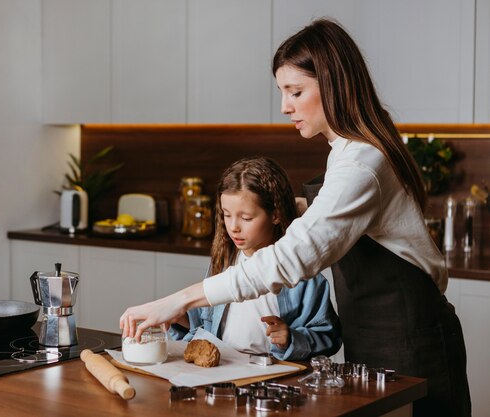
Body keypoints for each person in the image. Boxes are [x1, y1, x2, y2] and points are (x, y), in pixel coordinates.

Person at [120, 18, 470, 417]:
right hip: (373, 336)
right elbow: (330, 221)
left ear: (333, 85)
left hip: (411, 340)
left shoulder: (362, 162)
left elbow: (291, 258)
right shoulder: (347, 151)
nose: (286, 107)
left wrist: (178, 300)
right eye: (283, 92)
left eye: (296, 92)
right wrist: (283, 211)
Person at [169, 157, 342, 361]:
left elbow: (329, 336)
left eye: (246, 218)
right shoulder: (223, 263)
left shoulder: (303, 276)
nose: (233, 227)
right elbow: (205, 324)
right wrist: (181, 319)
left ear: (275, 215)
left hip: (274, 380)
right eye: (226, 215)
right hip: (224, 373)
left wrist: (291, 338)